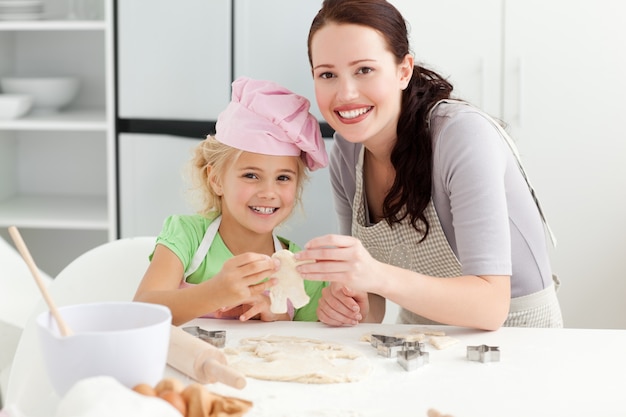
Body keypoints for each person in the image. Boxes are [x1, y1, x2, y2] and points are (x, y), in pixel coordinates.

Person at [294, 0, 563, 330]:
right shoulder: (347, 154)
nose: (346, 93)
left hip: (518, 334)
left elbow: (490, 307)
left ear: (403, 70)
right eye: (327, 74)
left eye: (364, 69)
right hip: (419, 331)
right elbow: (373, 303)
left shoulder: (461, 136)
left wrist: (373, 273)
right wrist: (350, 303)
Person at [134, 76, 328, 326]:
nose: (269, 192)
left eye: (283, 177)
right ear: (216, 180)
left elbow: (313, 343)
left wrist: (276, 313)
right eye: (251, 175)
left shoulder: (302, 269)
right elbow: (143, 312)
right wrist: (215, 292)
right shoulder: (187, 237)